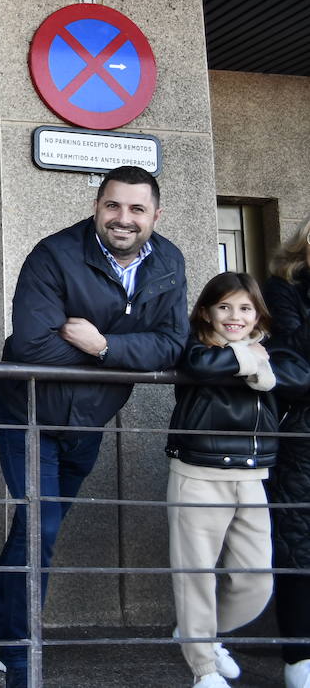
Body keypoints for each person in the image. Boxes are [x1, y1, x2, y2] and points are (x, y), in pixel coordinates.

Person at [0, 165, 187, 687]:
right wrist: (123, 357)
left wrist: (104, 345)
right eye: (113, 205)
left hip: (89, 420)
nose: (124, 218)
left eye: (137, 209)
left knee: (36, 530)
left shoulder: (169, 262)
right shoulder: (55, 255)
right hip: (27, 412)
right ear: (97, 205)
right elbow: (33, 347)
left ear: (155, 215)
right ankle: (22, 654)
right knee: (40, 528)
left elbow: (173, 345)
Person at [168, 272, 309, 688]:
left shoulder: (271, 349)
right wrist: (248, 360)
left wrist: (258, 359)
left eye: (245, 308)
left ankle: (200, 636)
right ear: (207, 313)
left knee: (255, 578)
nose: (234, 316)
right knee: (195, 575)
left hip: (252, 475)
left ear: (258, 314)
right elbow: (200, 365)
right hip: (198, 474)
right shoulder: (196, 346)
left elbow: (300, 377)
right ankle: (203, 669)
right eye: (224, 307)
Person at [265, 215, 310, 688]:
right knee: (299, 547)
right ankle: (300, 658)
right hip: (302, 437)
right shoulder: (284, 289)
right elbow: (292, 361)